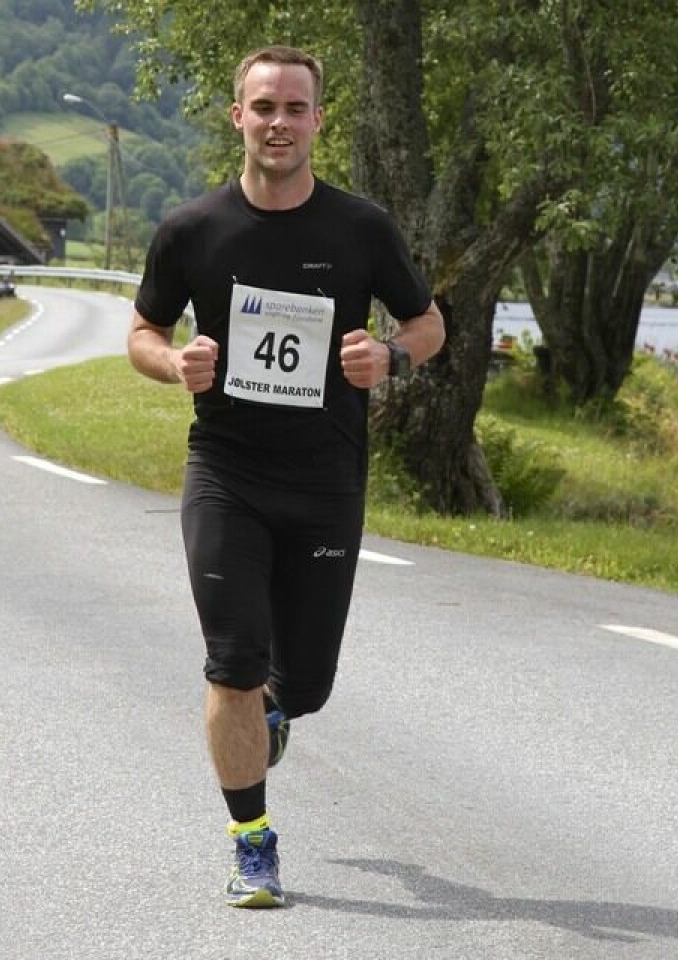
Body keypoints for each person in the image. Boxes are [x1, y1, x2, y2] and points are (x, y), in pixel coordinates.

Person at [128, 44, 445, 908]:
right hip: (225, 471)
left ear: (317, 122)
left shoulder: (361, 229)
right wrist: (173, 366)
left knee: (303, 686)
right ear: (237, 116)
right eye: (263, 106)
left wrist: (389, 356)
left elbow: (428, 324)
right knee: (232, 662)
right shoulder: (193, 231)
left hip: (326, 483)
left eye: (294, 108)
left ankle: (275, 712)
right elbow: (142, 332)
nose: (278, 123)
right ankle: (253, 842)